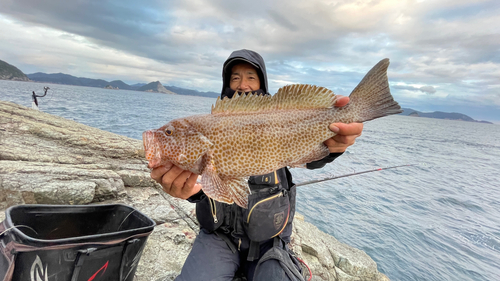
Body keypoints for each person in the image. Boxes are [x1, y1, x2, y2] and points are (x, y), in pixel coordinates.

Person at [150, 49, 364, 280]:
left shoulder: (278, 120)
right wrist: (190, 192)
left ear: (262, 83)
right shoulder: (206, 133)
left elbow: (313, 158)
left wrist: (333, 147)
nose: (242, 84)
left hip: (269, 242)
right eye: (235, 78)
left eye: (251, 77)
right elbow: (203, 187)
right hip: (219, 237)